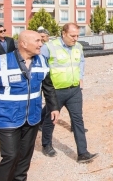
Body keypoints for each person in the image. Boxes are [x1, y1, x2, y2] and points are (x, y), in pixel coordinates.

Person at [0, 30, 60, 181]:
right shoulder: (0, 62)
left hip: (32, 117)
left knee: (24, 157)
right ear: (23, 43)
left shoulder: (42, 60)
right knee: (10, 156)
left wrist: (54, 107)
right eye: (37, 41)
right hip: (7, 118)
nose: (41, 44)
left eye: (41, 41)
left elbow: (48, 87)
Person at [40, 23, 98, 163]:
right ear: (64, 33)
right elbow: (41, 67)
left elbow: (81, 62)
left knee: (78, 120)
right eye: (72, 36)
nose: (75, 38)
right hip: (55, 91)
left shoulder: (78, 46)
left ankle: (83, 153)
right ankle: (46, 144)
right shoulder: (49, 47)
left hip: (74, 90)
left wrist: (81, 77)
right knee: (51, 119)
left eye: (77, 35)